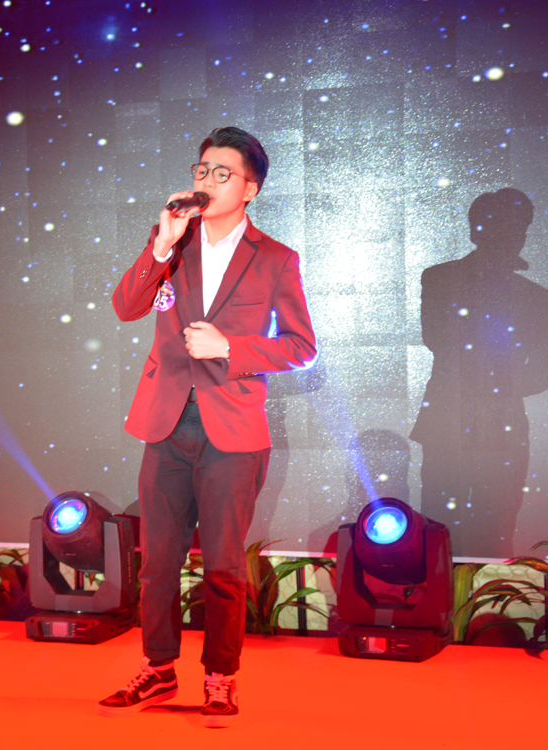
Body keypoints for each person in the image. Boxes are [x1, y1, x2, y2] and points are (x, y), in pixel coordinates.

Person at [100, 126, 316, 727]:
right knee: (157, 562)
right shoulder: (173, 241)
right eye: (202, 170)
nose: (207, 181)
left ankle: (220, 676)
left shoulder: (276, 259)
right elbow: (125, 306)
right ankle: (158, 668)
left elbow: (302, 347)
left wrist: (233, 347)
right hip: (166, 421)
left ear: (250, 189)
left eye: (223, 174)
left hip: (233, 430)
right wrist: (161, 246)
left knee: (222, 566)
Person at [410, 188, 548, 558]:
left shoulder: (535, 297)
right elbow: (438, 338)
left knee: (494, 534)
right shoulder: (441, 279)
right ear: (477, 231)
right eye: (503, 226)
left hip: (499, 426)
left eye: (518, 228)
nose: (513, 236)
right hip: (452, 422)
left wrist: (500, 385)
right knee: (439, 532)